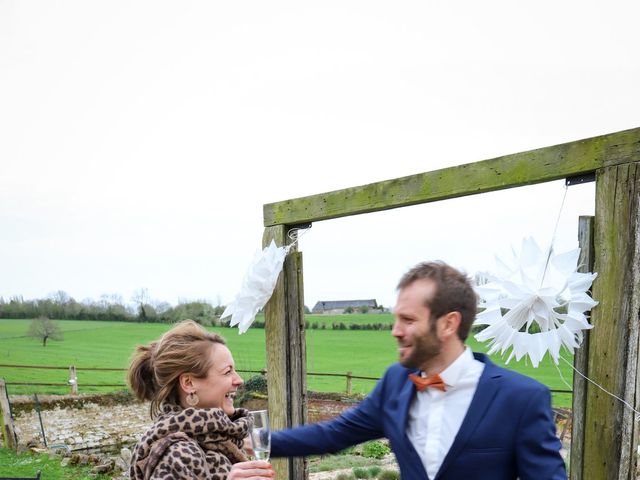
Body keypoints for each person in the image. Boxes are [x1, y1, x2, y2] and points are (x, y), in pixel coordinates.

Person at [271, 261, 566, 479]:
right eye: (396, 319)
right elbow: (332, 435)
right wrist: (256, 441)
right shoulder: (394, 384)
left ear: (448, 324)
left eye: (408, 320)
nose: (395, 332)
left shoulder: (521, 399)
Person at [127, 319, 274, 480]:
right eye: (227, 372)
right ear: (189, 383)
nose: (239, 380)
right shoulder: (177, 455)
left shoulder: (218, 441)